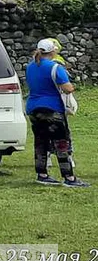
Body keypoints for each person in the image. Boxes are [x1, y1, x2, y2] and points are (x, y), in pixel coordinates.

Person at [25, 38, 87, 187]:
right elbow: (67, 88)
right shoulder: (55, 67)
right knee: (61, 143)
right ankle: (69, 177)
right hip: (52, 109)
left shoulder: (30, 67)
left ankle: (42, 174)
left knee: (41, 141)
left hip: (33, 108)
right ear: (53, 51)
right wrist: (73, 87)